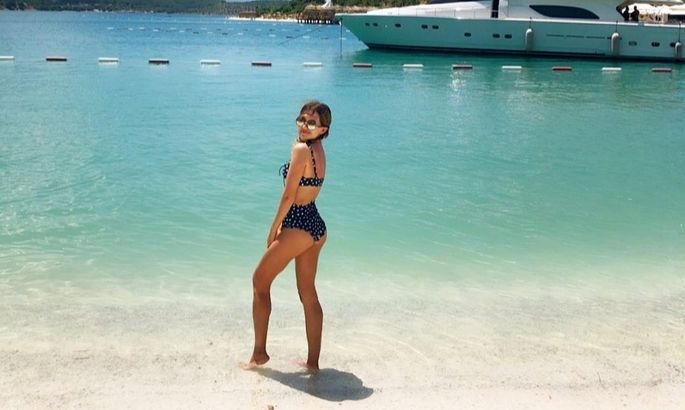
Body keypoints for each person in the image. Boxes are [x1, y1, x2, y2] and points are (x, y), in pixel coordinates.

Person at [240, 101, 332, 373]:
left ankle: (259, 354)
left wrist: (273, 229)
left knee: (259, 281)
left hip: (298, 223)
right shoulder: (318, 149)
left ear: (323, 129)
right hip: (315, 225)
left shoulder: (301, 150)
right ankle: (313, 363)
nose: (304, 125)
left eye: (311, 123)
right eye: (301, 119)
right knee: (308, 293)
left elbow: (289, 195)